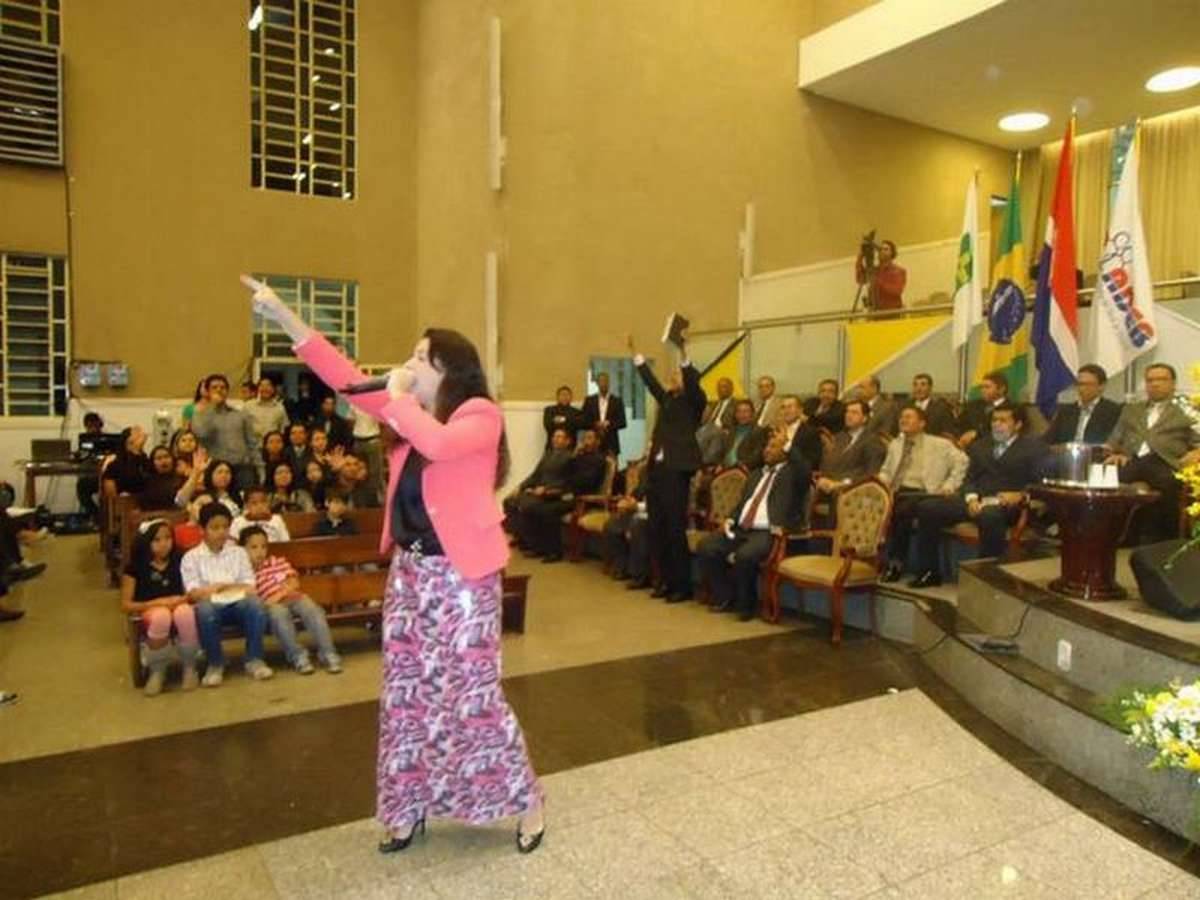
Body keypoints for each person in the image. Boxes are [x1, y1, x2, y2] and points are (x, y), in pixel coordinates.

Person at [248, 276, 544, 853]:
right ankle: (408, 806)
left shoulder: (479, 414)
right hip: (410, 575)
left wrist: (401, 397)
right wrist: (285, 317)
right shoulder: (412, 413)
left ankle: (526, 799)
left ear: (448, 370)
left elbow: (439, 445)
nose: (407, 364)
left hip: (461, 579)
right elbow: (344, 376)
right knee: (407, 695)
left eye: (419, 357)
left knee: (471, 696)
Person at [909, 403, 1046, 588]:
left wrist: (1022, 495)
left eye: (1003, 420)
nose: (997, 424)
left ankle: (986, 579)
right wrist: (971, 497)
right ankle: (929, 572)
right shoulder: (980, 446)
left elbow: (1042, 483)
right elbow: (969, 479)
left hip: (1008, 505)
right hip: (975, 501)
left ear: (1018, 424)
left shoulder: (1034, 448)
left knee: (990, 515)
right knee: (928, 508)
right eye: (994, 420)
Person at [696, 432, 811, 620]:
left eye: (773, 447)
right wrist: (730, 519)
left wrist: (788, 444)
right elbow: (743, 504)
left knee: (745, 555)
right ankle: (725, 595)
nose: (767, 450)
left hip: (768, 531)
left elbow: (805, 470)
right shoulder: (756, 474)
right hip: (742, 528)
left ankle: (746, 605)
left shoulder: (792, 474)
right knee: (707, 547)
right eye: (766, 446)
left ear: (784, 452)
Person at [632, 333, 706, 602]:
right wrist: (637, 356)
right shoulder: (668, 400)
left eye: (678, 375)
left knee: (675, 530)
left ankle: (681, 587)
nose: (673, 377)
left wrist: (683, 353)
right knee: (657, 529)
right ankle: (663, 581)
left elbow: (693, 383)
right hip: (657, 471)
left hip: (677, 471)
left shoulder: (694, 402)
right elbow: (652, 384)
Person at [1104, 363, 1200, 545]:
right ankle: (1107, 535)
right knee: (1104, 476)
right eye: (1150, 380)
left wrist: (1196, 452)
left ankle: (1164, 539)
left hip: (1169, 465)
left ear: (1173, 384)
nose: (1155, 384)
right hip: (1132, 463)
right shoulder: (1131, 409)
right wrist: (1117, 453)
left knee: (1158, 473)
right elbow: (1113, 441)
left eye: (1161, 379)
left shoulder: (1187, 409)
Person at [182, 502, 273, 686]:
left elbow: (250, 587)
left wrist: (218, 587)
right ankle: (216, 663)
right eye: (215, 527)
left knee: (256, 605)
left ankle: (254, 659)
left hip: (238, 603)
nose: (221, 532)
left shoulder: (238, 553)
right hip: (211, 605)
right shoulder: (191, 557)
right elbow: (194, 593)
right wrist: (227, 587)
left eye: (225, 527)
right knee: (205, 610)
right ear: (202, 530)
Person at [878, 407, 968, 582]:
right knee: (878, 504)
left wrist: (949, 485)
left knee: (901, 510)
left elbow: (963, 462)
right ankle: (868, 561)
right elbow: (886, 471)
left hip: (924, 492)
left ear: (922, 423)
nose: (903, 420)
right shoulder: (895, 444)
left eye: (909, 417)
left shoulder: (939, 444)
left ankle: (895, 563)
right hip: (897, 491)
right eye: (902, 417)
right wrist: (880, 484)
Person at [239, 527, 342, 675]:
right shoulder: (245, 573)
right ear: (242, 550)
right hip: (272, 605)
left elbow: (293, 583)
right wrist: (274, 599)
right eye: (253, 547)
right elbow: (255, 598)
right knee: (279, 616)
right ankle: (298, 656)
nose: (260, 552)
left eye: (263, 547)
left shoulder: (277, 562)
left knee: (314, 611)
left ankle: (328, 652)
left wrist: (279, 594)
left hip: (292, 597)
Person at [120, 519, 200, 696]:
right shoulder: (134, 567)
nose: (164, 544)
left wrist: (179, 600)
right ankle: (157, 671)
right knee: (161, 616)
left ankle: (190, 667)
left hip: (178, 604)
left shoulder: (180, 560)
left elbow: (191, 591)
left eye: (168, 538)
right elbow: (126, 604)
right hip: (149, 609)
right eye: (157, 540)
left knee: (185, 613)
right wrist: (157, 603)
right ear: (147, 542)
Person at [522, 429, 607, 562]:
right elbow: (566, 476)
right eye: (584, 438)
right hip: (567, 493)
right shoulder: (578, 456)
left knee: (548, 510)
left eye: (590, 438)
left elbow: (586, 481)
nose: (586, 441)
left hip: (582, 497)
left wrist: (562, 490)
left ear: (598, 442)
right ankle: (539, 547)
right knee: (535, 506)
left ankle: (555, 552)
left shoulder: (599, 460)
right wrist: (554, 490)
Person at [504, 428, 576, 553]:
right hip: (538, 491)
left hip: (554, 493)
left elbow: (568, 481)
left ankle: (535, 545)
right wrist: (520, 487)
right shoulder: (548, 454)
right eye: (554, 436)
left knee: (528, 506)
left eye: (559, 437)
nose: (555, 439)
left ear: (567, 441)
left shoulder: (571, 457)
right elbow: (535, 475)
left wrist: (547, 489)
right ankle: (522, 538)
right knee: (509, 501)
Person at [191, 374, 258, 489]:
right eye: (214, 387)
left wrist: (259, 467)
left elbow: (252, 443)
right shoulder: (200, 415)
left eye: (222, 387)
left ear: (227, 391)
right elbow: (202, 434)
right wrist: (212, 407)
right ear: (207, 392)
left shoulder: (240, 415)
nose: (219, 390)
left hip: (242, 469)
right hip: (217, 470)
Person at [815, 400, 885, 496]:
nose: (848, 415)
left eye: (854, 412)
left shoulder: (873, 441)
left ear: (865, 418)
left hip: (853, 491)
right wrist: (823, 478)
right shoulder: (840, 437)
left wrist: (843, 483)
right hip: (828, 487)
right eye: (847, 412)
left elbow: (871, 473)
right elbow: (827, 462)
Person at [1045, 364, 1123, 446]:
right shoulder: (1065, 411)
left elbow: (1115, 443)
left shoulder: (1113, 411)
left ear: (1101, 386)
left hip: (1095, 453)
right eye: (1079, 384)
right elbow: (1047, 440)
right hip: (1065, 452)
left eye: (1087, 384)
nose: (1081, 389)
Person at [956, 370, 1011, 449]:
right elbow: (958, 424)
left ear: (1001, 389)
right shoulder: (973, 406)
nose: (983, 390)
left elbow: (1006, 433)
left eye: (987, 387)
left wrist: (977, 434)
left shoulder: (1011, 408)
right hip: (966, 448)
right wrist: (962, 436)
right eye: (982, 387)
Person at [581, 371, 627, 457]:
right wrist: (596, 424)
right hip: (593, 442)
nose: (603, 383)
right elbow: (583, 421)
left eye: (606, 381)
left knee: (611, 465)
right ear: (597, 383)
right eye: (601, 381)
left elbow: (622, 422)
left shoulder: (617, 401)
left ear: (609, 383)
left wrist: (609, 423)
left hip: (611, 442)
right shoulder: (589, 400)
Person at [101, 426, 153, 499]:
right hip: (124, 501)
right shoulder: (114, 463)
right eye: (137, 435)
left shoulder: (145, 460)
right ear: (127, 441)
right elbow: (111, 495)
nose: (142, 438)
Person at [856, 238, 906, 311]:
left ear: (892, 253)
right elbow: (860, 279)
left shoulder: (899, 271)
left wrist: (877, 280)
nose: (882, 251)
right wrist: (860, 257)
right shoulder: (874, 270)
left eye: (886, 249)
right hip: (874, 312)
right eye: (880, 249)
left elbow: (897, 291)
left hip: (892, 312)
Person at [719, 400, 769, 469]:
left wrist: (742, 465)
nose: (741, 415)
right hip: (724, 467)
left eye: (745, 411)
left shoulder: (758, 431)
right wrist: (720, 464)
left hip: (742, 468)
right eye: (739, 411)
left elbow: (757, 456)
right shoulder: (732, 430)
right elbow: (723, 451)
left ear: (752, 414)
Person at [777, 394, 823, 471]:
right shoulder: (774, 431)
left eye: (790, 407)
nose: (786, 411)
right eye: (783, 407)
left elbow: (811, 463)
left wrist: (786, 444)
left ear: (800, 410)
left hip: (796, 473)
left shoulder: (811, 433)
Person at [76, 411, 106, 518]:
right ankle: (96, 515)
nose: (92, 429)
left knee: (83, 486)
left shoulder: (106, 440)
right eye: (89, 426)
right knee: (81, 487)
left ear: (99, 425)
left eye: (94, 425)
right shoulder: (85, 440)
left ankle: (101, 516)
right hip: (89, 476)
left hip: (104, 477)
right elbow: (82, 455)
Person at [137, 445, 185, 510]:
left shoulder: (180, 478)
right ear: (152, 462)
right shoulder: (147, 481)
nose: (164, 461)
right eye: (159, 458)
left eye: (166, 456)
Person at [245, 376, 290, 446]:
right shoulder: (248, 406)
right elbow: (242, 428)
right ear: (258, 388)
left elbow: (283, 429)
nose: (265, 388)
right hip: (253, 447)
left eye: (268, 385)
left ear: (273, 389)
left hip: (273, 448)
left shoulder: (279, 407)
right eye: (262, 385)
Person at [909, 373, 957, 439]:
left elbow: (948, 432)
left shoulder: (941, 409)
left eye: (923, 385)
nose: (918, 389)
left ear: (930, 388)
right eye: (915, 385)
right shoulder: (905, 406)